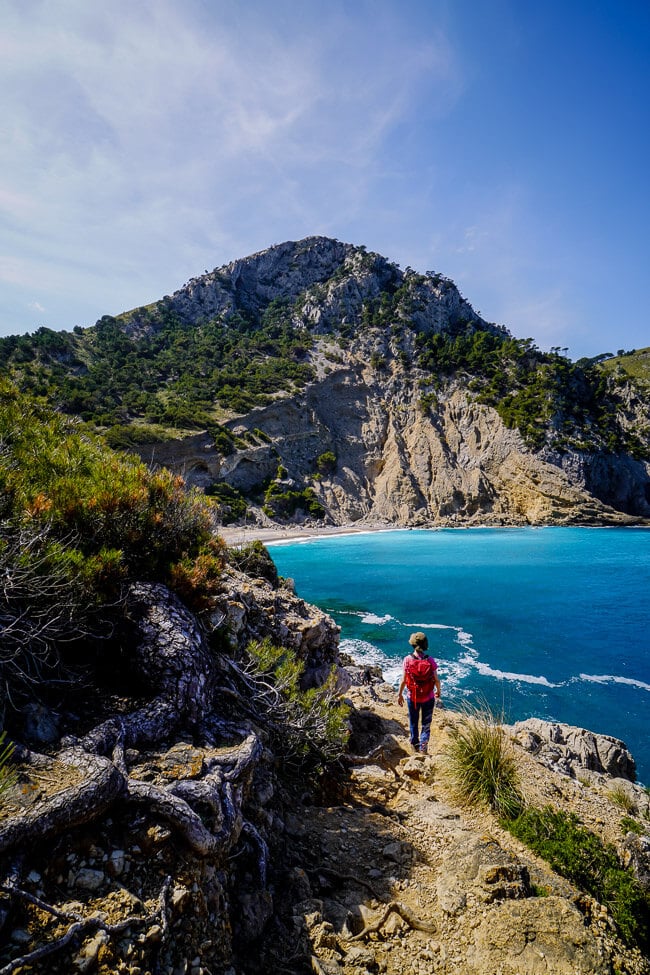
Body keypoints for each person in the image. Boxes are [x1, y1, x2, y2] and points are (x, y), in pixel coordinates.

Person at [397, 631, 441, 754]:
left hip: (413, 698)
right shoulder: (430, 660)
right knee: (426, 723)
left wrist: (400, 694)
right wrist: (438, 691)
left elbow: (404, 681)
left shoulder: (407, 660)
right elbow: (436, 679)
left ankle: (414, 745)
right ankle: (423, 747)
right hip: (428, 697)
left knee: (413, 722)